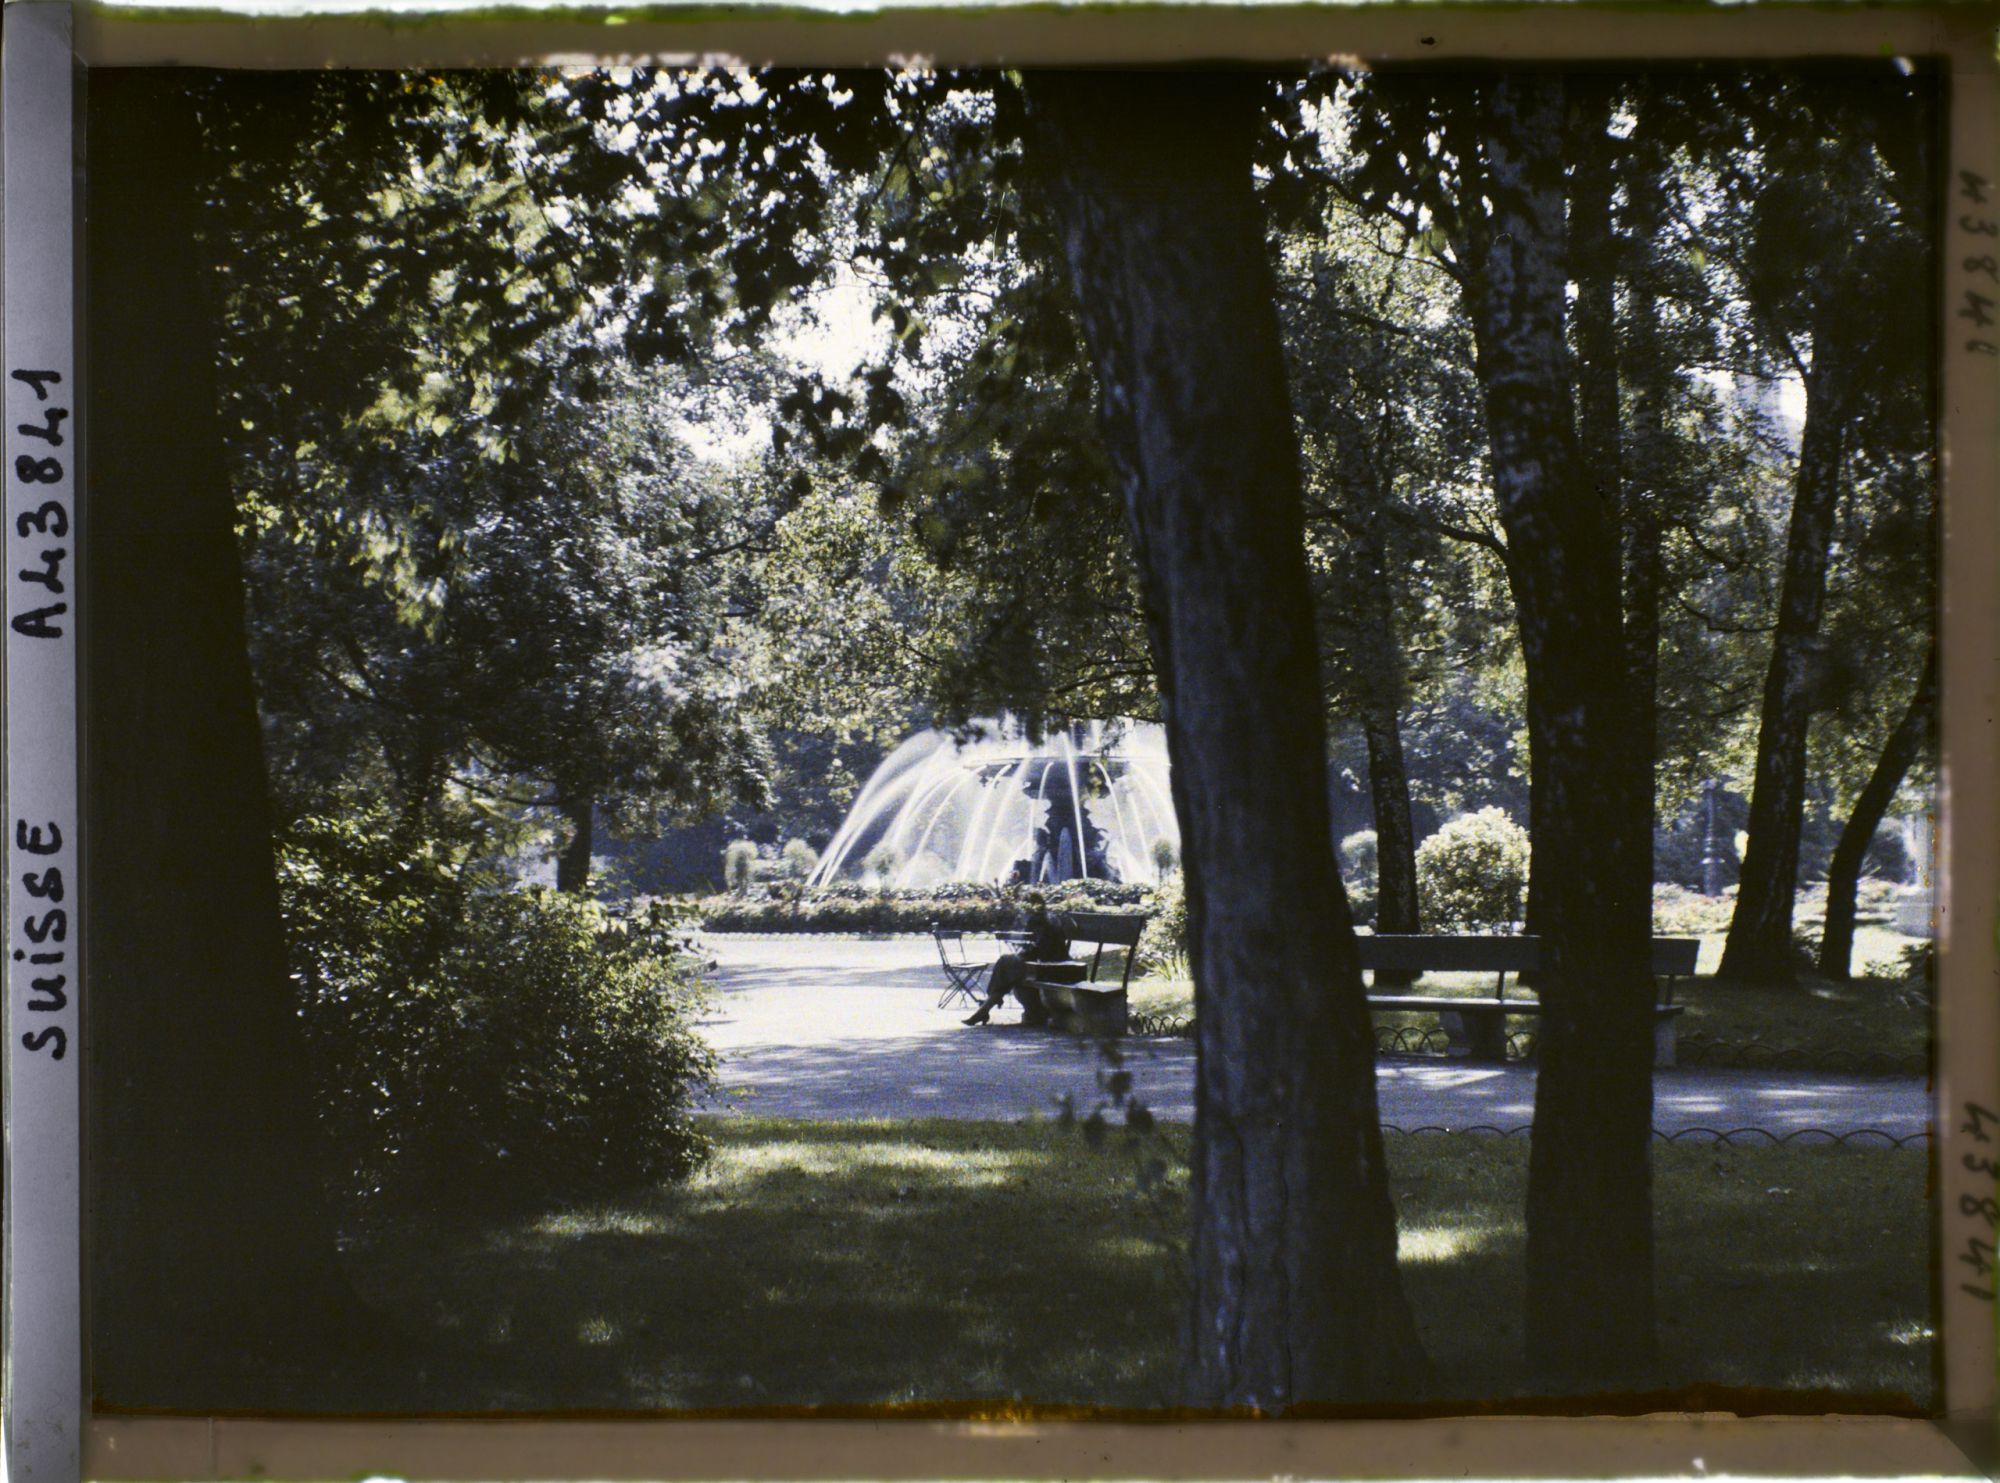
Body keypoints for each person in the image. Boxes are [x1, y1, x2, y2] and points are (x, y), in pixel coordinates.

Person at [963, 895, 1070, 1027]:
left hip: (1047, 966)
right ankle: (985, 1008)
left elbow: (1036, 950)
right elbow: (1035, 948)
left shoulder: (1038, 921)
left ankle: (986, 1007)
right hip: (1049, 963)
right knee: (1007, 963)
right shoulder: (1049, 918)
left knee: (1005, 962)